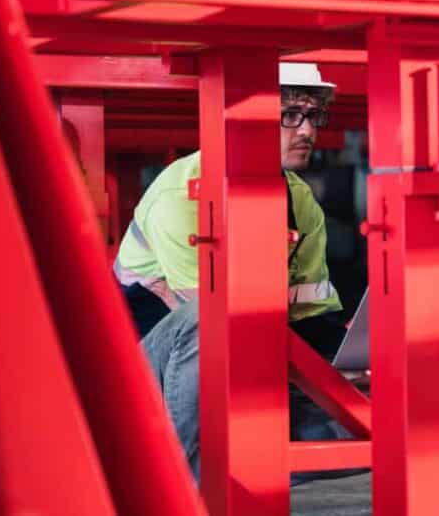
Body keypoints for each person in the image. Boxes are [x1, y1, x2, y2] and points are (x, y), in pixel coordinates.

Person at [113, 62, 347, 481]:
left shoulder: (299, 198)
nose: (308, 131)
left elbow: (312, 310)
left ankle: (240, 467)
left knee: (360, 437)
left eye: (313, 116)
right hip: (141, 371)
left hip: (248, 353)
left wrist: (355, 364)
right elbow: (212, 324)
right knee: (210, 316)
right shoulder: (180, 192)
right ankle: (170, 483)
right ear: (243, 119)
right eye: (290, 116)